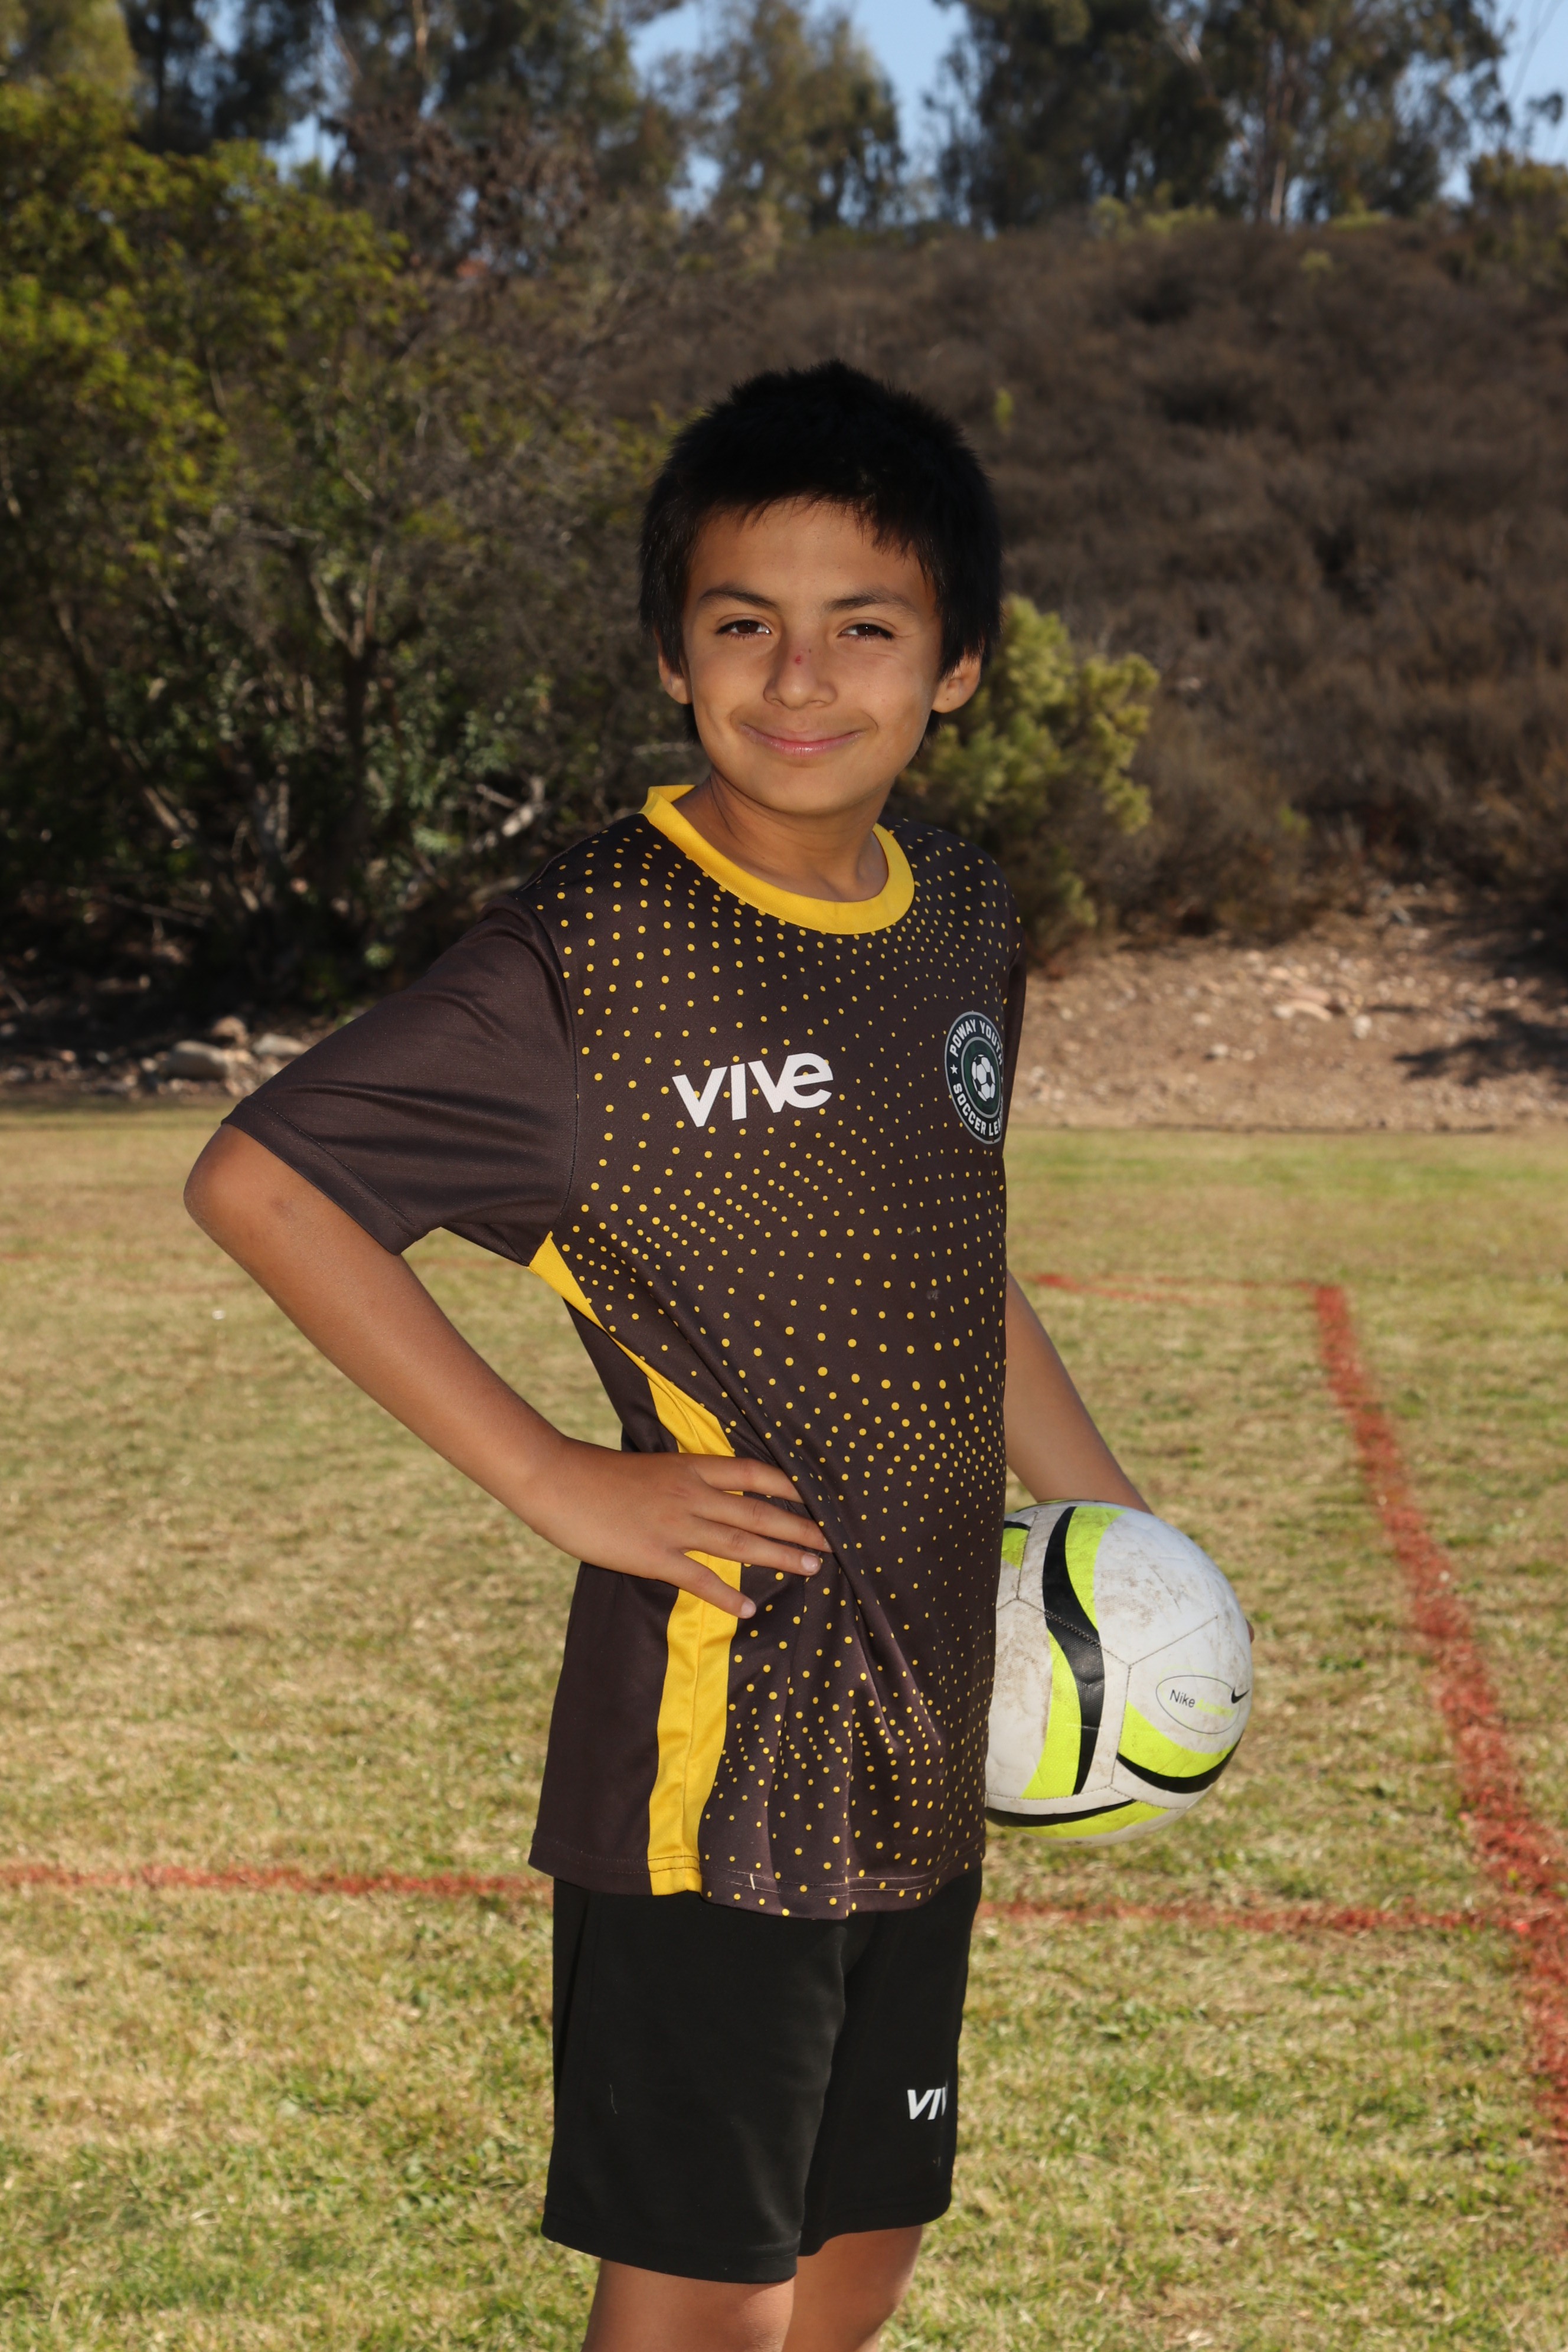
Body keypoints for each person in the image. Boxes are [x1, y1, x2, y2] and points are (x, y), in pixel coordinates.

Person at [185, 360, 1147, 2352]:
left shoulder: (961, 917)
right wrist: (558, 1476)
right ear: (670, 653)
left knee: (862, 2250)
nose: (800, 678)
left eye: (863, 627)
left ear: (958, 663)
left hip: (927, 1721)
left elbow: (949, 1258)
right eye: (742, 623)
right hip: (724, 1757)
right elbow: (263, 1184)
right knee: (700, 2308)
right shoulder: (588, 958)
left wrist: (1115, 1528)